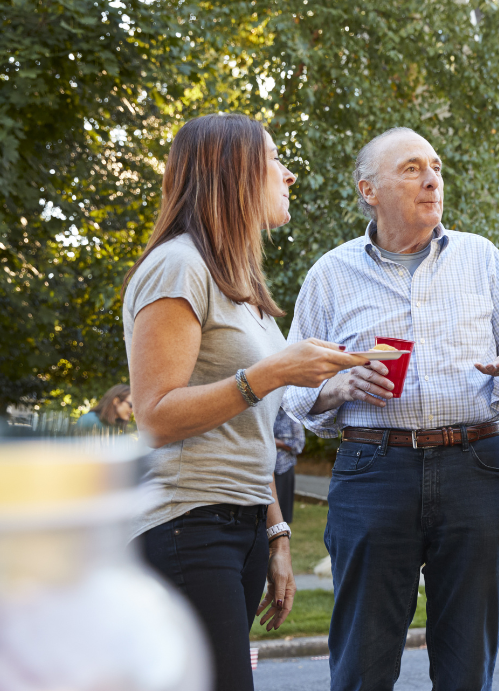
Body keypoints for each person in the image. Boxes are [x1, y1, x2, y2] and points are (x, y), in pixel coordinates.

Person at [282, 127, 499, 691]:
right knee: (362, 662)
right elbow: (292, 393)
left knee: (466, 666)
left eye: (435, 166)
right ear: (369, 190)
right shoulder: (330, 275)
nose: (432, 178)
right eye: (411, 168)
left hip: (478, 466)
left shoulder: (480, 257)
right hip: (372, 472)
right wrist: (340, 385)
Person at [122, 114, 363, 691]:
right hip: (186, 521)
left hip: (242, 521)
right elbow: (155, 415)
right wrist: (272, 371)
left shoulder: (239, 285)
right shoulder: (178, 266)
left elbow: (250, 434)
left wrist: (276, 535)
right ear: (232, 173)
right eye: (274, 159)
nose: (288, 174)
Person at [273, 407, 305, 524]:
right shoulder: (271, 413)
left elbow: (299, 445)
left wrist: (279, 443)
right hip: (266, 469)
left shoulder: (293, 417)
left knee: (283, 513)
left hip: (284, 468)